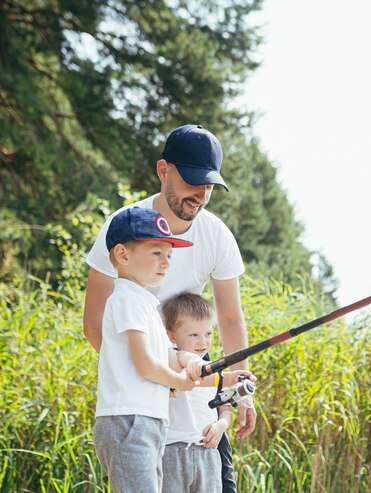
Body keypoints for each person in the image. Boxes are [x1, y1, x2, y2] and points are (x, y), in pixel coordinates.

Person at [83, 124, 256, 492]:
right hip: (142, 386)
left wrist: (237, 390)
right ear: (164, 170)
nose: (200, 194)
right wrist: (146, 374)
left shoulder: (216, 234)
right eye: (192, 181)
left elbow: (229, 318)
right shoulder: (124, 226)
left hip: (190, 372)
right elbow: (94, 322)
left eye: (208, 186)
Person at [161, 292, 244, 493]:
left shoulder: (214, 370)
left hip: (208, 453)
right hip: (172, 453)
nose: (203, 342)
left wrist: (221, 425)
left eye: (208, 334)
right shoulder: (171, 360)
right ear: (172, 336)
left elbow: (224, 408)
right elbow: (185, 371)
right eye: (194, 335)